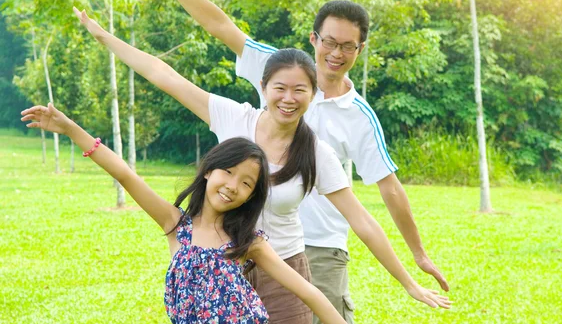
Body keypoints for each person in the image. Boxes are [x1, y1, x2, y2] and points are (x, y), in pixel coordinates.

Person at [119, 0, 449, 323]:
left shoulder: (357, 118)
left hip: (317, 247)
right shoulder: (280, 67)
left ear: (360, 49)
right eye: (329, 42)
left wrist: (416, 259)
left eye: (348, 46)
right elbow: (218, 25)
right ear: (313, 39)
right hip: (240, 243)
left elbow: (383, 194)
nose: (336, 53)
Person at [20, 103, 348, 324]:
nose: (233, 185)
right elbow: (125, 175)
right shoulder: (176, 225)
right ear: (208, 171)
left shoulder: (249, 243)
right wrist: (70, 128)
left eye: (247, 183)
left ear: (251, 196)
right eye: (228, 172)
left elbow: (307, 291)